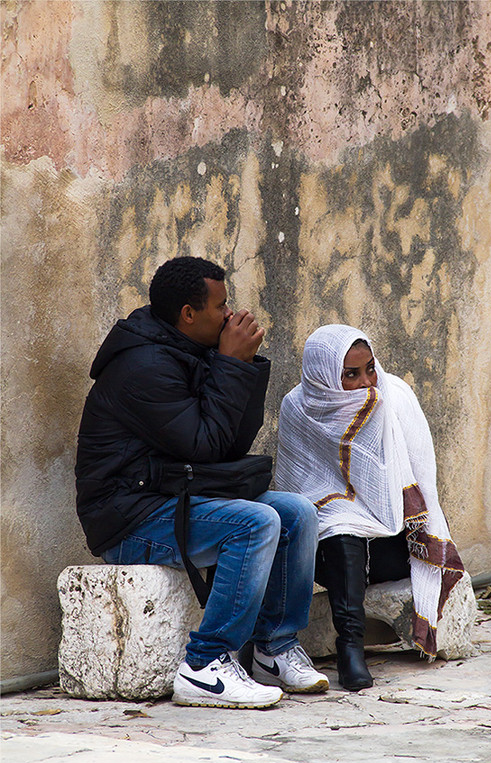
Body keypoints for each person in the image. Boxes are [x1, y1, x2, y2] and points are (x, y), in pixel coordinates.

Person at [75, 256, 328, 709]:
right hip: (129, 519)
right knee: (255, 523)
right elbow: (205, 445)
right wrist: (231, 363)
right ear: (188, 315)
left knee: (298, 513)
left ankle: (274, 649)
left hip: (173, 497)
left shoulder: (186, 349)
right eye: (221, 306)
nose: (230, 315)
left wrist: (241, 365)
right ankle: (204, 665)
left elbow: (228, 444)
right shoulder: (145, 366)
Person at [275, 324, 464, 691]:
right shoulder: (298, 407)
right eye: (351, 374)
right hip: (327, 555)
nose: (366, 383)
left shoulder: (394, 398)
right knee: (339, 517)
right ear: (323, 375)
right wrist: (347, 513)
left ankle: (349, 647)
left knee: (348, 520)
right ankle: (350, 648)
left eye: (370, 369)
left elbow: (421, 483)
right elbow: (300, 489)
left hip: (396, 546)